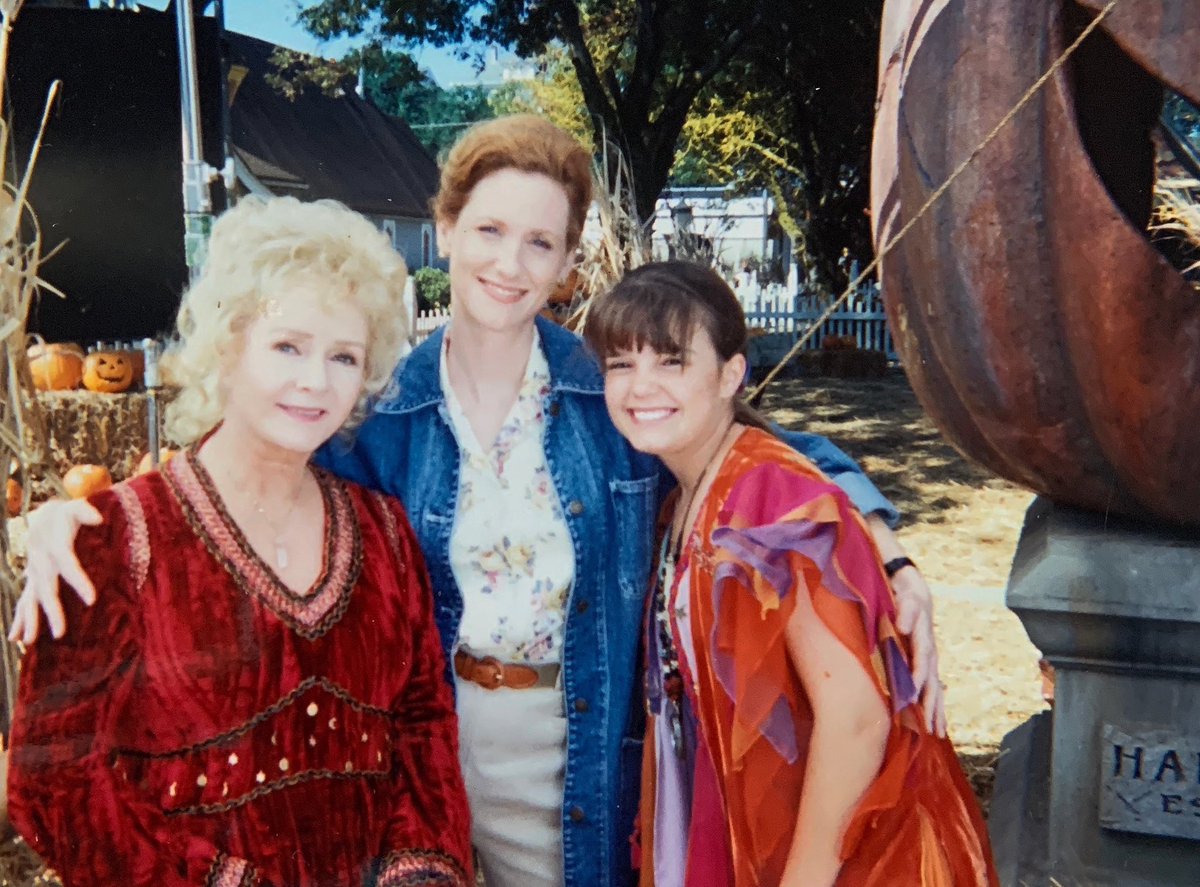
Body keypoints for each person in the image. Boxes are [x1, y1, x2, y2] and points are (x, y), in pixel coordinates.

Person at [12, 115, 942, 887]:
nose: (510, 261)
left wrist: (881, 541)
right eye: (489, 230)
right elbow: (248, 441)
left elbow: (751, 450)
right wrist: (75, 516)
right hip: (440, 755)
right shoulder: (380, 416)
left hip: (587, 759)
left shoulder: (609, 397)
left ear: (568, 261)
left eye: (541, 241)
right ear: (446, 227)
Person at [7, 197, 471, 887]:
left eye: (343, 356)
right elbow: (55, 782)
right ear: (227, 348)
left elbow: (422, 727)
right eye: (287, 346)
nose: (315, 381)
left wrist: (418, 875)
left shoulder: (385, 533)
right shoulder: (110, 543)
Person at [584, 260, 996, 887]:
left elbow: (856, 721)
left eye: (671, 361)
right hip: (727, 822)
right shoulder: (684, 497)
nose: (642, 386)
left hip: (838, 853)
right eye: (622, 364)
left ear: (730, 375)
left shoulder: (770, 501)